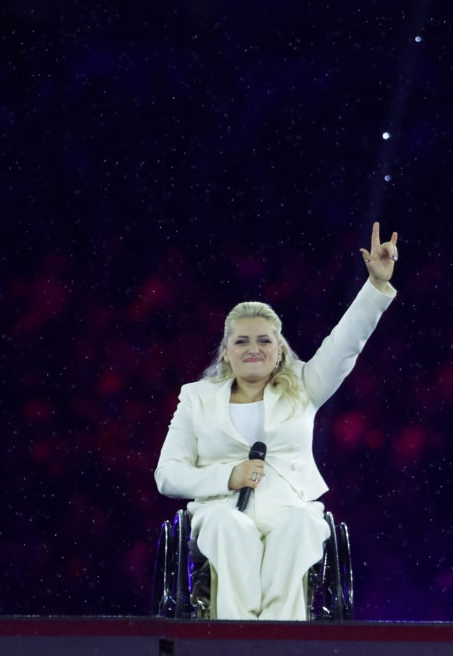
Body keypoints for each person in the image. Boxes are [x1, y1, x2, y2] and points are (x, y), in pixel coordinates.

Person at [154, 222, 399, 620]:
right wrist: (227, 477)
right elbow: (167, 475)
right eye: (242, 341)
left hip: (290, 507)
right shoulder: (196, 398)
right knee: (227, 529)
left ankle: (280, 640)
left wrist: (374, 286)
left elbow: (345, 344)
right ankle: (234, 642)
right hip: (220, 509)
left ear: (280, 350)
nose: (254, 348)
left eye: (264, 340)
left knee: (301, 527)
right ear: (226, 352)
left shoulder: (304, 385)